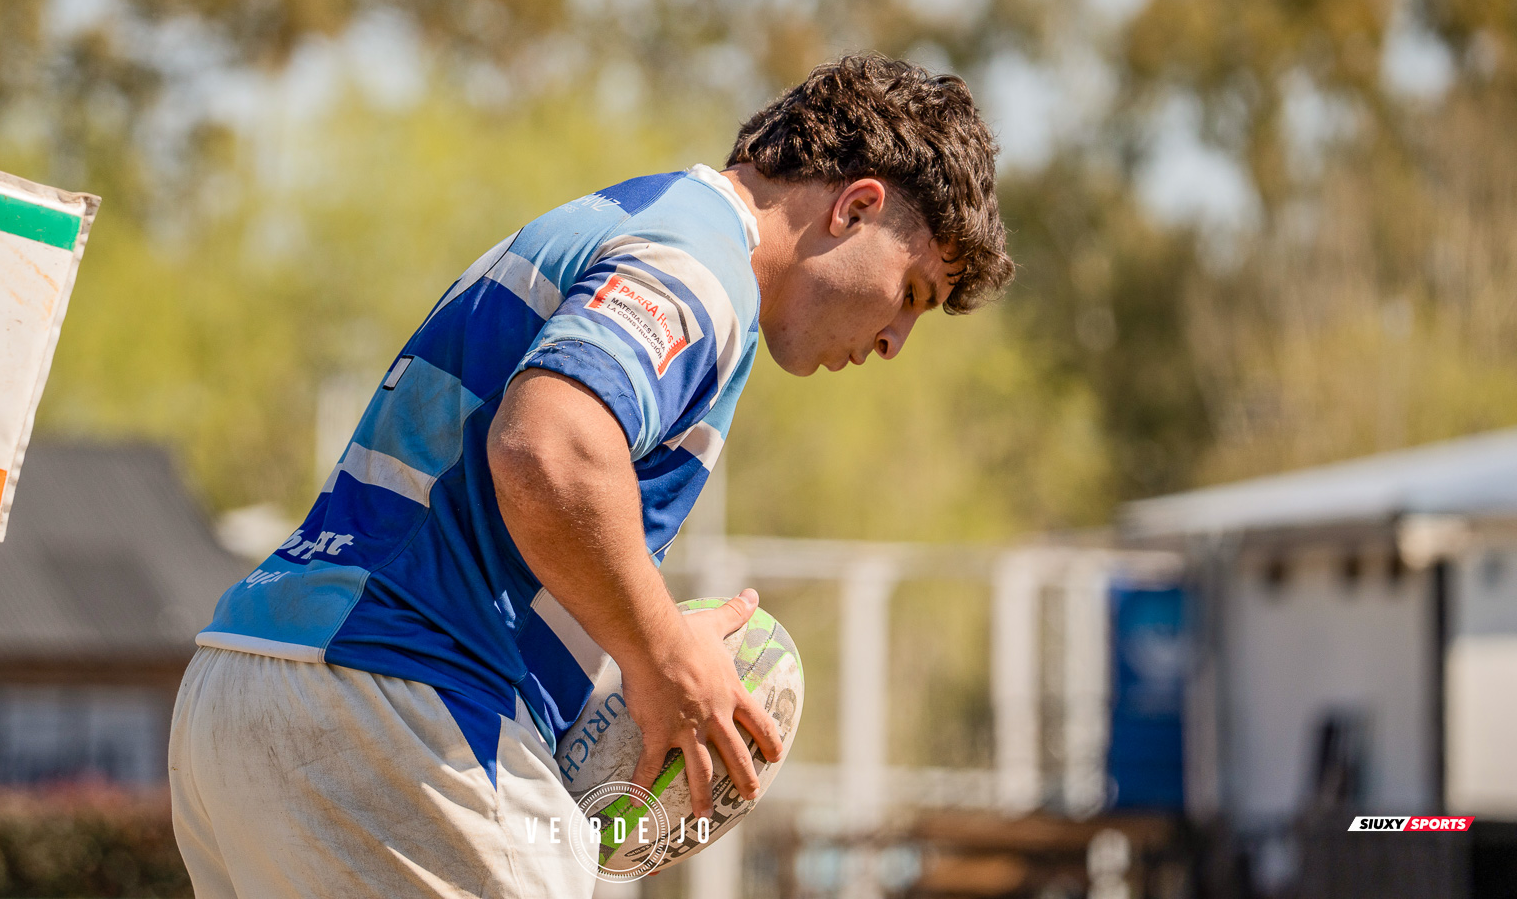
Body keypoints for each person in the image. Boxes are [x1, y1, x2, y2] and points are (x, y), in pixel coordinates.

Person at [169, 53, 1014, 899]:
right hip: (399, 712)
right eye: (911, 291)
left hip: (250, 683)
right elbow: (547, 450)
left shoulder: (627, 215)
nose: (897, 338)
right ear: (856, 206)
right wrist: (663, 657)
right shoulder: (701, 269)